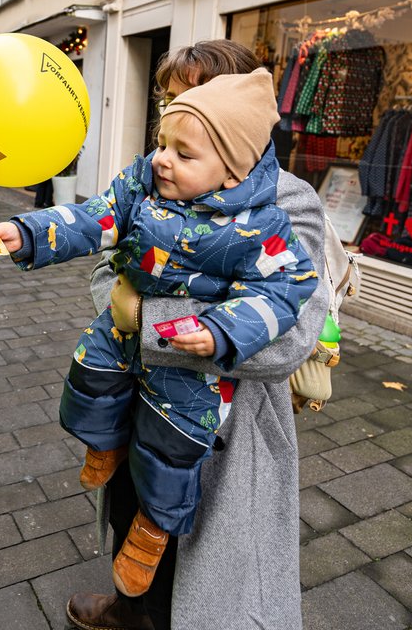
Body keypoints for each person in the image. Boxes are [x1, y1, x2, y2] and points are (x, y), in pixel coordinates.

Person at [0, 69, 318, 597]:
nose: (162, 157)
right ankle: (103, 446)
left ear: (232, 168)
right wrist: (29, 231)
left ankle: (153, 530)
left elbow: (285, 292)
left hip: (191, 370)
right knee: (90, 373)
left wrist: (217, 330)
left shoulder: (269, 219)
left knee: (171, 448)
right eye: (162, 139)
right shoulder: (146, 182)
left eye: (182, 152)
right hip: (121, 344)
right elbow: (93, 217)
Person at [61, 40, 330, 630]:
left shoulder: (288, 200)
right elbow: (105, 264)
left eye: (193, 97)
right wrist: (113, 297)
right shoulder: (156, 176)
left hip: (221, 426)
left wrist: (147, 322)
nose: (176, 112)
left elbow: (294, 335)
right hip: (138, 398)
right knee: (133, 505)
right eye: (168, 98)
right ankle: (129, 610)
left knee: (200, 564)